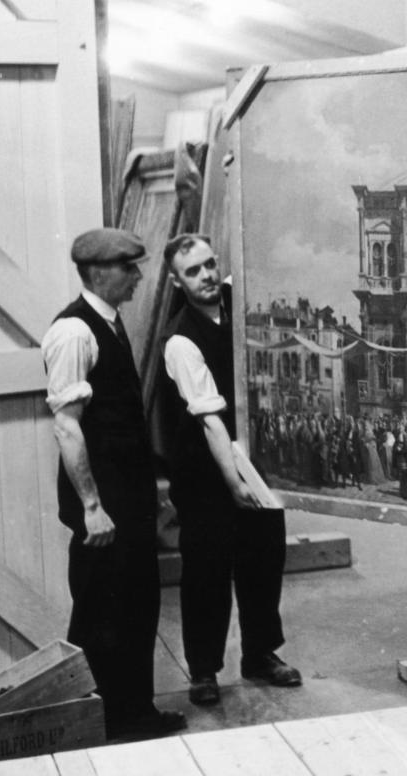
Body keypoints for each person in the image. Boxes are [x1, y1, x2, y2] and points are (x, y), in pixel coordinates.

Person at [42, 228, 187, 740]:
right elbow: (67, 425)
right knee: (104, 614)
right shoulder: (74, 333)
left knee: (134, 607)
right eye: (130, 267)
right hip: (104, 510)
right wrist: (91, 506)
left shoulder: (110, 323)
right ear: (100, 272)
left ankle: (132, 714)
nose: (138, 276)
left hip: (127, 503)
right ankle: (100, 723)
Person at [161, 234, 302, 706]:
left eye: (208, 266)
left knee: (264, 559)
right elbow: (210, 421)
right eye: (192, 272)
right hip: (205, 472)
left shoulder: (237, 305)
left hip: (255, 462)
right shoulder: (181, 339)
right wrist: (232, 481)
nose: (204, 277)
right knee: (207, 570)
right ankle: (204, 670)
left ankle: (260, 654)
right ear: (176, 281)